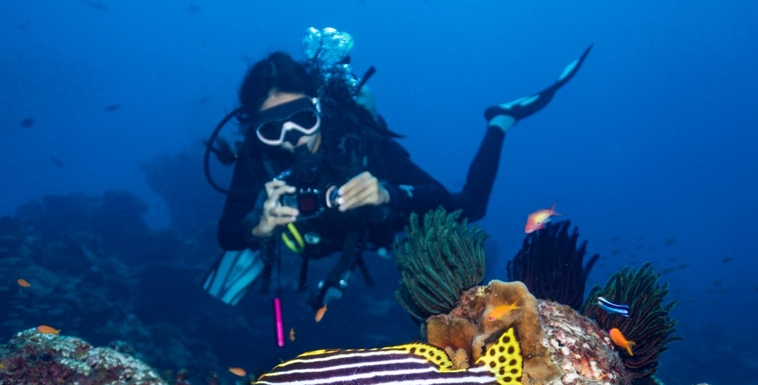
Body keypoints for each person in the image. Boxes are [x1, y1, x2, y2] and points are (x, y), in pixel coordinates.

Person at [207, 28, 592, 314]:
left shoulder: (355, 136)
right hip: (312, 239)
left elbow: (439, 194)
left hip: (377, 226)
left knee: (471, 207)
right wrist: (257, 225)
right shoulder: (258, 156)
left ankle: (501, 120)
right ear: (256, 129)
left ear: (319, 107)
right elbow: (227, 233)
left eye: (303, 119)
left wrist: (388, 192)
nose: (292, 138)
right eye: (273, 128)